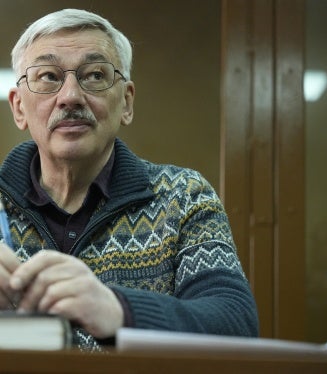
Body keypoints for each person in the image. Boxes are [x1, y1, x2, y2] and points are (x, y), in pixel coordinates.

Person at [0, 8, 259, 351]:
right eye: (48, 76)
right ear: (18, 107)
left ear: (126, 102)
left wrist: (119, 310)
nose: (70, 96)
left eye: (94, 76)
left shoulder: (183, 197)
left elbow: (235, 323)